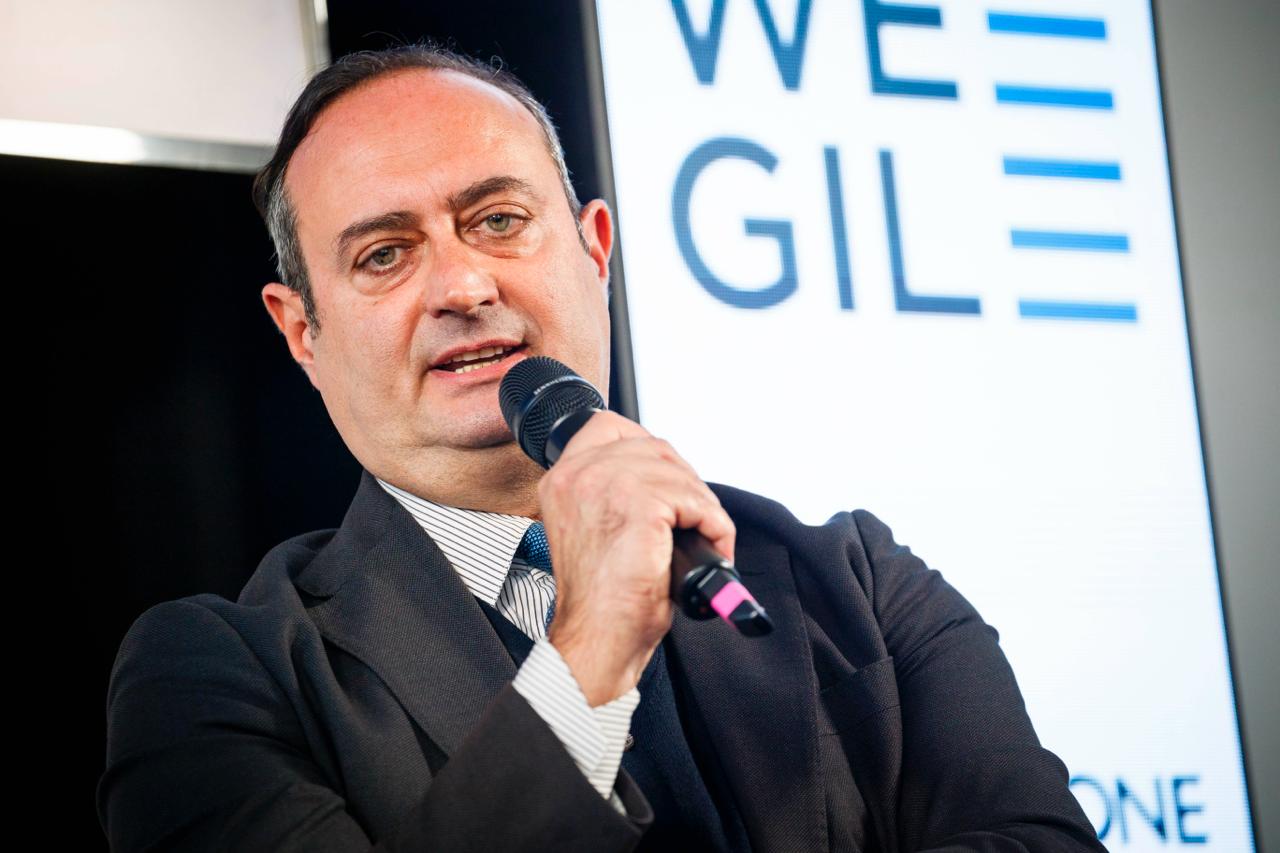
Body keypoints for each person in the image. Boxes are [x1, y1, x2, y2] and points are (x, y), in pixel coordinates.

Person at [98, 45, 1104, 852]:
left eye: (498, 220)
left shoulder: (858, 584)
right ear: (302, 334)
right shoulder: (214, 679)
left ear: (596, 250)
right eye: (385, 253)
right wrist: (587, 653)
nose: (462, 287)